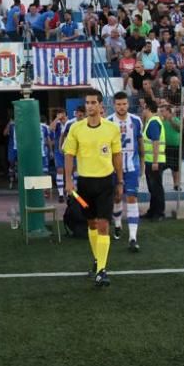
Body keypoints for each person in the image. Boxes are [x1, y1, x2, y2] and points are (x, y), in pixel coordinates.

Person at [63, 90, 122, 288]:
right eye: (87, 103)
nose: (90, 106)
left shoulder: (112, 129)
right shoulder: (75, 129)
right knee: (92, 224)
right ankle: (98, 261)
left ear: (100, 105)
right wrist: (68, 181)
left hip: (106, 183)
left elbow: (117, 156)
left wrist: (120, 182)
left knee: (104, 224)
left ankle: (102, 271)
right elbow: (69, 155)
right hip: (84, 184)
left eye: (93, 102)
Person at [106, 92, 144, 251]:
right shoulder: (107, 122)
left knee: (132, 198)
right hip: (112, 168)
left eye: (124, 104)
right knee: (116, 197)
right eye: (118, 104)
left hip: (131, 167)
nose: (121, 107)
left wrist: (142, 164)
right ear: (114, 105)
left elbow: (140, 143)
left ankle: (133, 237)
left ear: (128, 104)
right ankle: (117, 224)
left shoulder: (136, 121)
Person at [160, 104, 182, 191]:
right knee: (161, 167)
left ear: (169, 111)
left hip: (175, 147)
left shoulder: (175, 119)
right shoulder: (160, 121)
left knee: (175, 168)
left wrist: (171, 120)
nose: (161, 113)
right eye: (161, 111)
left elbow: (179, 129)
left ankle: (176, 184)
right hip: (163, 147)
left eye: (163, 111)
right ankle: (160, 184)